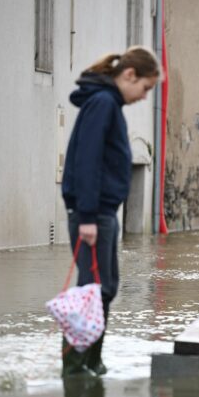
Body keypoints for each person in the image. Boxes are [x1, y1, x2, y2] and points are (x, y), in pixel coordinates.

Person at [61, 46, 160, 377]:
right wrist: (87, 217)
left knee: (104, 286)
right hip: (94, 215)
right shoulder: (103, 104)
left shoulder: (108, 104)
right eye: (145, 88)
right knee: (93, 289)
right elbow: (86, 160)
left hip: (101, 213)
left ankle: (92, 363)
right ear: (129, 75)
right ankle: (77, 368)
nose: (145, 97)